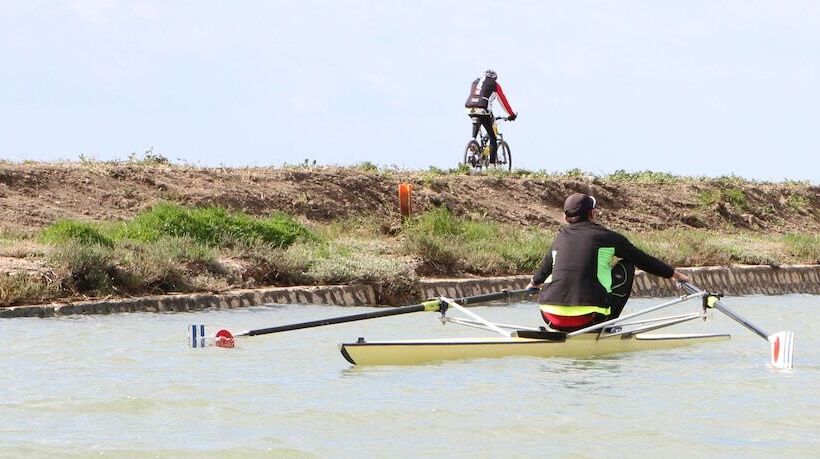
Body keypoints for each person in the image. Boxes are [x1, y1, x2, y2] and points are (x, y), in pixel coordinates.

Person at [525, 193, 691, 332]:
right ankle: (607, 325)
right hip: (589, 319)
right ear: (592, 214)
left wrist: (532, 284)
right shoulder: (608, 238)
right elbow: (643, 260)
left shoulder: (559, 239)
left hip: (550, 317)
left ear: (565, 217)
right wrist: (674, 274)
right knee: (628, 265)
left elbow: (541, 274)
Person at [464, 69, 517, 165]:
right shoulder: (495, 85)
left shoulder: (475, 82)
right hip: (483, 109)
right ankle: (492, 165)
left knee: (477, 119)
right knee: (492, 137)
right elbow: (503, 102)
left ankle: (473, 141)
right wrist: (511, 115)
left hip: (469, 108)